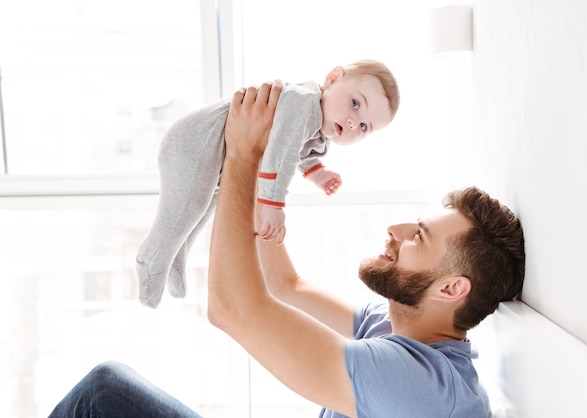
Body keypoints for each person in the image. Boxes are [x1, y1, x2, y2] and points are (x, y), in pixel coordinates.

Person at [48, 81, 525, 418]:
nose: (396, 229)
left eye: (418, 236)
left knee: (103, 394)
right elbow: (285, 285)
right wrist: (264, 178)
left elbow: (233, 309)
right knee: (106, 392)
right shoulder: (400, 327)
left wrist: (243, 154)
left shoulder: (425, 388)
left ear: (452, 287)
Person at [136, 59, 400, 308]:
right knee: (185, 209)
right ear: (332, 79)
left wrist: (318, 174)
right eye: (355, 104)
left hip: (216, 155)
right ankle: (150, 259)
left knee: (200, 209)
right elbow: (282, 154)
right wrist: (272, 206)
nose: (354, 122)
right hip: (194, 142)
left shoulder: (318, 129)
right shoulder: (304, 102)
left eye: (364, 126)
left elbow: (300, 153)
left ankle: (174, 259)